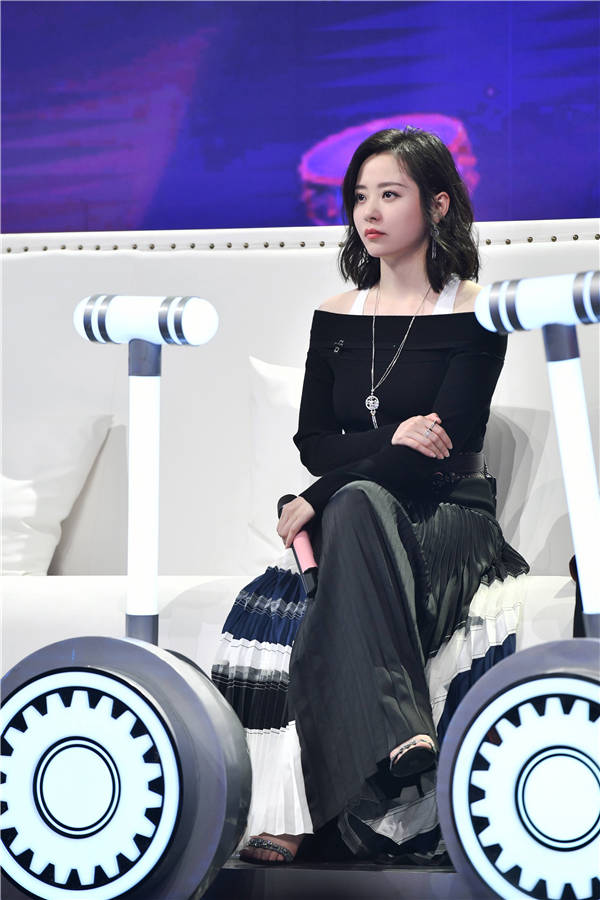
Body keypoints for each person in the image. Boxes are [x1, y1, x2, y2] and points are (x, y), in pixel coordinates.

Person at [212, 127, 529, 865]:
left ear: (438, 205)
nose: (370, 213)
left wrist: (319, 494)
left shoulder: (479, 312)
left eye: (390, 194)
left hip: (447, 513)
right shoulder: (335, 316)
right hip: (361, 515)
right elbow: (313, 440)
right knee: (353, 508)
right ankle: (399, 736)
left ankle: (310, 816)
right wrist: (385, 444)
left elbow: (442, 447)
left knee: (352, 502)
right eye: (360, 197)